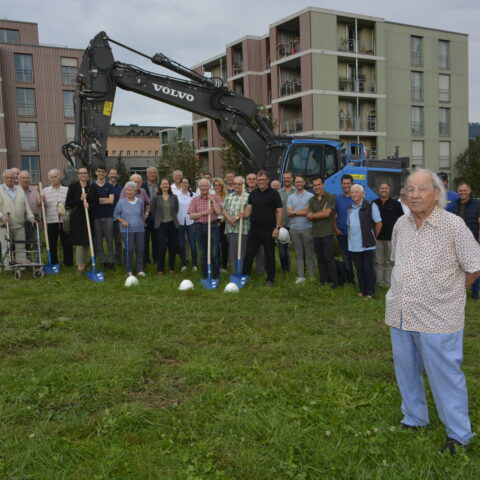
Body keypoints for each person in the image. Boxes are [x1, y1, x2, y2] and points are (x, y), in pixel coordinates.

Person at [386, 169, 480, 455]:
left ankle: (459, 436)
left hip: (439, 316)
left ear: (437, 194)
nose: (414, 195)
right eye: (410, 189)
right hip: (401, 311)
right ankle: (414, 417)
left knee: (445, 376)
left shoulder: (453, 225)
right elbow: (397, 262)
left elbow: (474, 264)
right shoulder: (400, 225)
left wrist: (451, 293)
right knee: (406, 370)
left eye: (422, 189)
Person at [240, 170, 282, 287]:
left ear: (267, 180)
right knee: (249, 254)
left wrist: (277, 228)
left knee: (269, 255)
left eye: (263, 179)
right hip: (254, 229)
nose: (261, 182)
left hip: (269, 230)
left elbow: (279, 211)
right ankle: (244, 276)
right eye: (259, 180)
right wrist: (242, 214)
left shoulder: (274, 193)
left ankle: (270, 279)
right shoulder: (253, 194)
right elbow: (249, 210)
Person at [347, 184, 382, 299]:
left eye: (357, 192)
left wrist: (373, 237)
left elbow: (378, 223)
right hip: (353, 245)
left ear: (363, 194)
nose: (354, 194)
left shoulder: (371, 205)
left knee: (368, 269)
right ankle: (362, 290)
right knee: (359, 268)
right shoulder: (350, 208)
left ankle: (370, 292)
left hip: (367, 244)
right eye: (352, 192)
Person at [65, 167, 99, 273]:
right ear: (78, 175)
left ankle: (85, 262)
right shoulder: (73, 186)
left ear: (88, 175)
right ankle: (80, 265)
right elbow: (68, 203)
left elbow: (96, 202)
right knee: (80, 241)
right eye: (81, 173)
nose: (83, 175)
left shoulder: (92, 187)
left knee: (87, 240)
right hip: (77, 217)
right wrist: (79, 199)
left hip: (89, 217)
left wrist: (89, 205)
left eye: (85, 173)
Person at [188, 178, 223, 280]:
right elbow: (191, 216)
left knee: (214, 253)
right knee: (203, 253)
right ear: (199, 187)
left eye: (205, 185)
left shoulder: (215, 198)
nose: (203, 188)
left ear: (209, 187)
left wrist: (212, 201)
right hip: (199, 228)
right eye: (201, 186)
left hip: (212, 226)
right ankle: (206, 275)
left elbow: (219, 211)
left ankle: (216, 276)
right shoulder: (195, 199)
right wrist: (204, 213)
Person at [307, 176, 338, 288]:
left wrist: (316, 214)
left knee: (329, 258)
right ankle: (323, 281)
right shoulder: (311, 200)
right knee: (319, 258)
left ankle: (334, 282)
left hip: (327, 233)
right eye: (314, 185)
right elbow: (308, 217)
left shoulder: (330, 197)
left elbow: (327, 214)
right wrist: (321, 212)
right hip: (316, 233)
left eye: (318, 184)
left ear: (323, 185)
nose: (316, 187)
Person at [0, 169, 35, 268]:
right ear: (4, 178)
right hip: (4, 225)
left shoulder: (19, 189)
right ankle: (8, 267)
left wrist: (31, 217)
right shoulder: (0, 189)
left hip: (19, 224)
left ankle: (21, 265)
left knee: (21, 246)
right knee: (6, 247)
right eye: (7, 177)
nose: (10, 179)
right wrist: (2, 216)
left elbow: (26, 206)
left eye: (12, 177)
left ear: (15, 178)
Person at [453, 180, 480, 299]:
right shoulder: (455, 205)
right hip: (458, 242)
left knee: (475, 267)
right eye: (460, 190)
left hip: (474, 240)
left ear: (469, 191)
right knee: (459, 269)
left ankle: (475, 295)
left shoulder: (477, 204)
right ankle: (460, 292)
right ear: (457, 191)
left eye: (464, 190)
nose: (462, 192)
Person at [373, 182, 404, 288]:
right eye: (382, 188)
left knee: (390, 262)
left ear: (389, 190)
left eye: (386, 188)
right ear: (378, 190)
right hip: (377, 238)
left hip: (391, 239)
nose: (384, 190)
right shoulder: (373, 204)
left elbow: (401, 221)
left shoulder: (396, 204)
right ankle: (379, 283)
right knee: (378, 262)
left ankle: (388, 283)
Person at [113, 181, 147, 276]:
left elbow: (141, 214)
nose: (129, 192)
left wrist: (143, 222)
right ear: (125, 191)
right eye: (127, 190)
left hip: (140, 229)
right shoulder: (121, 202)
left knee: (140, 249)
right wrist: (123, 221)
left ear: (135, 191)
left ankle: (140, 270)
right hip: (127, 229)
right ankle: (129, 270)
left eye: (131, 190)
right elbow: (116, 215)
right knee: (130, 249)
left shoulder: (140, 202)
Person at [41, 168, 73, 266]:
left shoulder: (67, 190)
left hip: (64, 220)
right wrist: (44, 221)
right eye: (51, 177)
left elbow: (71, 204)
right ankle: (53, 262)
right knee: (52, 243)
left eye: (55, 177)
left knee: (67, 242)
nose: (54, 179)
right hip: (51, 221)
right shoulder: (44, 191)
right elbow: (43, 207)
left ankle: (68, 262)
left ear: (59, 177)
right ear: (49, 178)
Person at [287, 174, 316, 283]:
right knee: (299, 254)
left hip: (307, 228)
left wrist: (295, 212)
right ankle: (301, 276)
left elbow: (308, 211)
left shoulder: (310, 196)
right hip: (294, 229)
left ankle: (312, 276)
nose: (299, 183)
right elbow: (289, 213)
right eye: (297, 182)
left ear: (304, 183)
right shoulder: (291, 197)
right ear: (294, 183)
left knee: (310, 254)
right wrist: (300, 212)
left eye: (301, 181)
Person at [150, 178, 179, 275]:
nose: (165, 185)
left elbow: (176, 209)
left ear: (169, 186)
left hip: (172, 224)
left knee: (172, 247)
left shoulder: (174, 197)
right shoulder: (155, 197)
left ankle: (171, 268)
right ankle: (160, 269)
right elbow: (153, 211)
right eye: (163, 184)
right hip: (161, 225)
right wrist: (158, 219)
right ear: (160, 186)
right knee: (161, 247)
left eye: (167, 184)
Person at [222, 176, 249, 274]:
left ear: (243, 185)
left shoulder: (247, 196)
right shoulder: (229, 196)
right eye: (235, 184)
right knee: (233, 252)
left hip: (242, 228)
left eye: (239, 184)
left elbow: (248, 211)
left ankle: (242, 272)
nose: (237, 186)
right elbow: (223, 209)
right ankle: (235, 272)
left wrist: (236, 219)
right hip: (229, 228)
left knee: (241, 252)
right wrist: (229, 219)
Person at [92, 166, 115, 269]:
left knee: (109, 239)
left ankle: (111, 261)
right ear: (96, 173)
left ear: (106, 173)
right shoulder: (92, 186)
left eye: (103, 171)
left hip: (108, 216)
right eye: (99, 171)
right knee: (98, 240)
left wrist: (97, 200)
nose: (101, 173)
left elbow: (111, 201)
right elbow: (91, 200)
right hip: (96, 216)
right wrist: (103, 199)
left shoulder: (109, 186)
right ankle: (102, 261)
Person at [335, 174, 355, 284]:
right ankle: (350, 280)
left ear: (352, 184)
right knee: (346, 258)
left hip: (355, 235)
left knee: (356, 259)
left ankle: (361, 279)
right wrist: (335, 229)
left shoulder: (357, 197)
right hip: (342, 233)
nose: (346, 185)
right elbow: (334, 215)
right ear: (341, 185)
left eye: (348, 183)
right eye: (344, 183)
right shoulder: (337, 198)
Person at [176, 176, 197, 272]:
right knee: (181, 244)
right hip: (179, 222)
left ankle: (194, 265)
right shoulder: (176, 195)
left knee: (192, 244)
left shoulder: (194, 195)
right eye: (183, 182)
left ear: (189, 184)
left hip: (191, 222)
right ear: (180, 184)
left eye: (186, 182)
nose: (185, 184)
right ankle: (183, 264)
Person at [18, 170, 41, 257]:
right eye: (23, 178)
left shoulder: (34, 190)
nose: (25, 180)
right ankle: (25, 261)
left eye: (27, 178)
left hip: (34, 218)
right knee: (24, 241)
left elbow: (38, 203)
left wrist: (41, 200)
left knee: (36, 240)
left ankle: (37, 261)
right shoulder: (16, 190)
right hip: (22, 218)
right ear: (19, 179)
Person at [278, 171, 296, 273]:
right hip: (283, 225)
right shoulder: (279, 193)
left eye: (288, 178)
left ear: (292, 179)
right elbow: (276, 209)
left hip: (295, 225)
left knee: (299, 250)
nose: (286, 180)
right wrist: (278, 224)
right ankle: (286, 270)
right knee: (282, 252)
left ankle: (302, 270)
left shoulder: (297, 191)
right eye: (284, 178)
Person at [141, 166, 159, 266]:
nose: (152, 175)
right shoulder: (143, 185)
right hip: (146, 216)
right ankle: (146, 260)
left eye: (154, 173)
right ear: (147, 174)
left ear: (156, 174)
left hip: (157, 216)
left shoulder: (159, 185)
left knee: (156, 238)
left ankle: (156, 258)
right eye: (150, 173)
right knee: (145, 239)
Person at [108, 168, 123, 265]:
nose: (113, 175)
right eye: (111, 173)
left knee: (118, 240)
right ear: (108, 175)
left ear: (117, 175)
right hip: (107, 217)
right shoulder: (105, 186)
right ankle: (110, 260)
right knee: (109, 241)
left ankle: (119, 260)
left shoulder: (121, 189)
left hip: (118, 218)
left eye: (115, 174)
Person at [213, 177, 228, 272]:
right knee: (215, 245)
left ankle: (224, 266)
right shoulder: (211, 197)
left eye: (219, 185)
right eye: (215, 185)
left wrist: (222, 220)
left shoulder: (227, 197)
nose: (217, 187)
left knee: (224, 245)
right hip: (214, 223)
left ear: (222, 186)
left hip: (224, 222)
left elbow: (229, 210)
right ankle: (216, 265)